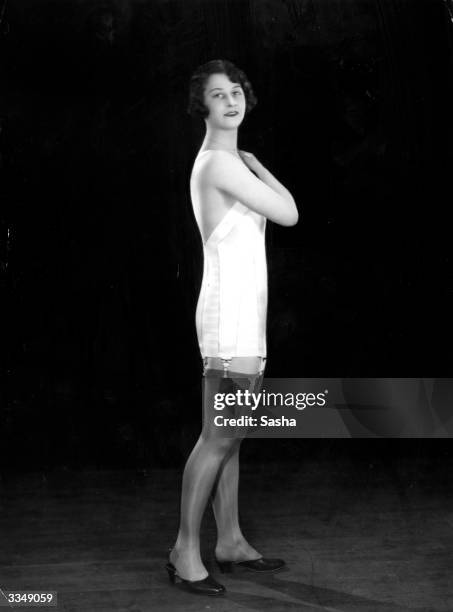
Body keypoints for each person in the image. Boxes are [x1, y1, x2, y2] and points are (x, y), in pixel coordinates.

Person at [166, 59, 298, 596]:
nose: (231, 100)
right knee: (219, 435)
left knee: (232, 437)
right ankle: (184, 551)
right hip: (229, 319)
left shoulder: (227, 162)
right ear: (203, 106)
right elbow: (289, 213)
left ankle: (231, 541)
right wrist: (260, 165)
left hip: (245, 315)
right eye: (218, 95)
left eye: (237, 91)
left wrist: (253, 163)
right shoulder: (221, 164)